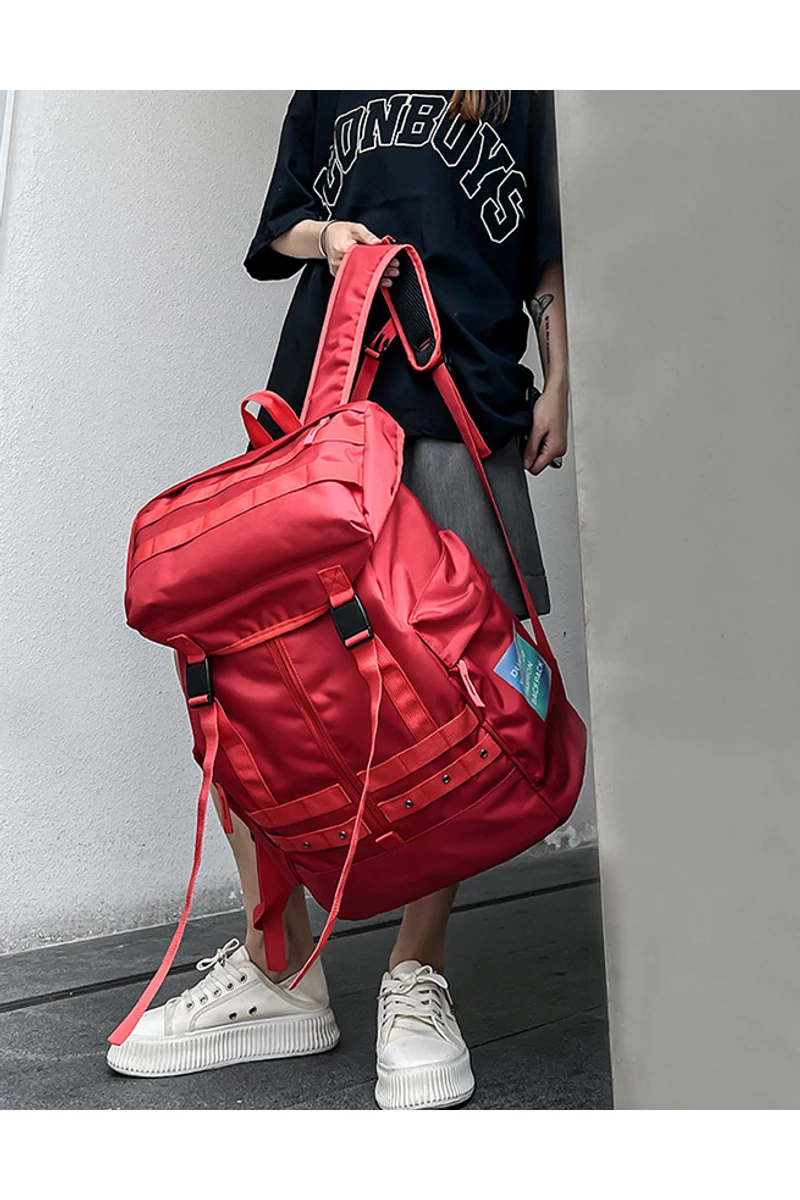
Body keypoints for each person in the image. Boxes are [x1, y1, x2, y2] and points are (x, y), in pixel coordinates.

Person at [109, 90, 569, 1109]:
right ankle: (279, 968)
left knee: (456, 701)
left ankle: (417, 974)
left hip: (462, 396)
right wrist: (331, 239)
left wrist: (560, 374)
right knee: (248, 668)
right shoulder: (329, 74)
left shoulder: (512, 82)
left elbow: (541, 242)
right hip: (324, 406)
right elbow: (280, 225)